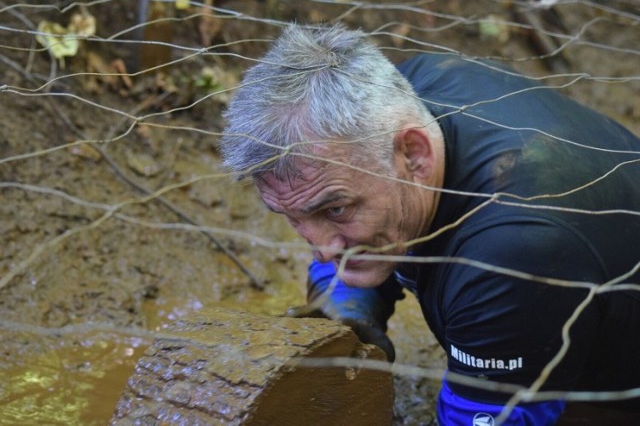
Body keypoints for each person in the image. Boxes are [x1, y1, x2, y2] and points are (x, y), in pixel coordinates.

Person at [220, 24, 640, 424]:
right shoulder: (398, 92)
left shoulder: (513, 253)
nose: (321, 250)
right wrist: (350, 311)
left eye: (335, 210)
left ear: (415, 154)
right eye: (293, 218)